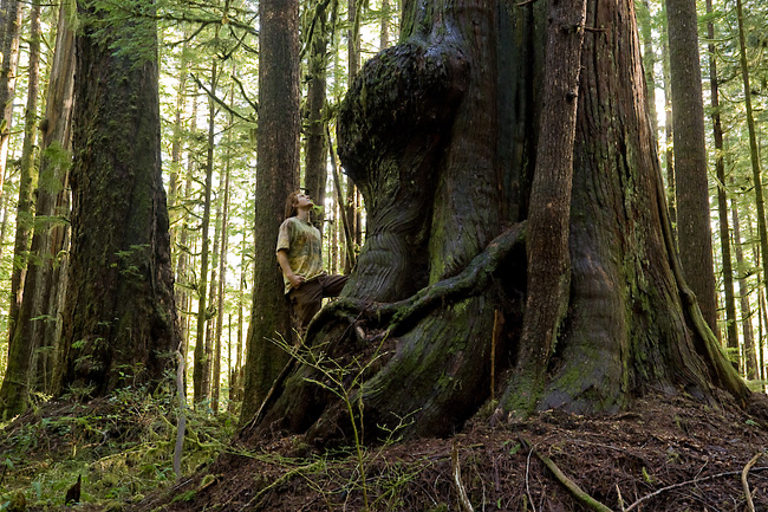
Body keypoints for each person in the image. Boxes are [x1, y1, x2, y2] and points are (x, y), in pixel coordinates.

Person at [276, 191, 348, 332]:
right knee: (309, 330)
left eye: (307, 195)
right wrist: (291, 277)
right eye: (302, 196)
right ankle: (306, 354)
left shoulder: (315, 230)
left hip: (321, 279)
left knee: (350, 282)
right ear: (294, 204)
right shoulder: (289, 224)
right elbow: (281, 252)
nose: (308, 197)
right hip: (304, 284)